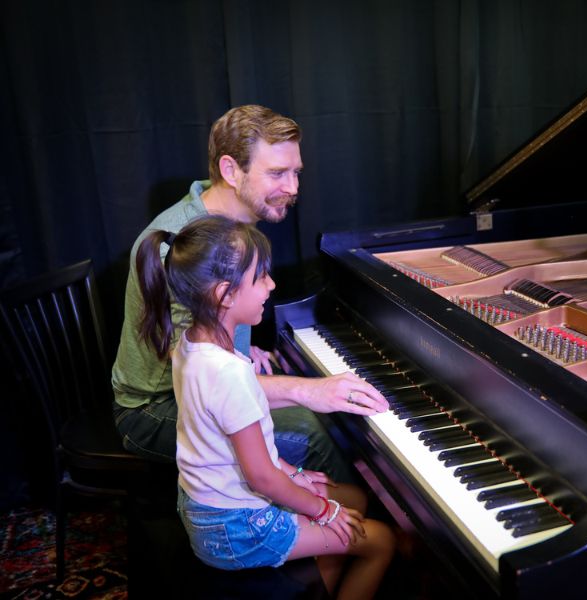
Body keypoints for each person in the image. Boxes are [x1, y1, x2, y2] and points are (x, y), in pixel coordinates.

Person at [110, 105, 386, 484]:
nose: (292, 188)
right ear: (230, 170)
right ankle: (355, 534)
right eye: (276, 173)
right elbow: (200, 382)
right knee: (313, 431)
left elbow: (212, 330)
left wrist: (240, 344)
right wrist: (310, 390)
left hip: (198, 385)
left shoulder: (234, 218)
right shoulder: (180, 246)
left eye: (295, 172)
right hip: (155, 411)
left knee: (319, 406)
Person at [135, 215, 395, 598]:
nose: (271, 285)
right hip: (237, 527)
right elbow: (260, 477)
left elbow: (236, 449)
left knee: (353, 499)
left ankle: (317, 577)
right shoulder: (228, 374)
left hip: (206, 508)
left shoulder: (189, 345)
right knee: (380, 540)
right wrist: (322, 510)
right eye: (260, 277)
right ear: (224, 294)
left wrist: (295, 473)